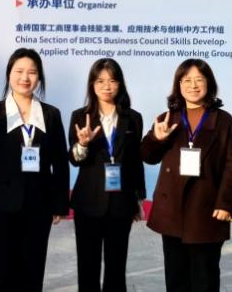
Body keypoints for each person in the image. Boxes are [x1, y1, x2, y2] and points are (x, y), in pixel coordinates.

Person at [141, 59, 232, 292]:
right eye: (187, 80)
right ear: (179, 84)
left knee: (204, 277)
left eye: (199, 79)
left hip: (207, 209)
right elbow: (147, 156)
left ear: (209, 83)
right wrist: (157, 138)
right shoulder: (168, 118)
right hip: (172, 209)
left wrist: (226, 203)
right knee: (176, 277)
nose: (193, 85)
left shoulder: (224, 122)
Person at [0, 48, 69, 292]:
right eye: (19, 71)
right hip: (0, 205)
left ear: (39, 78)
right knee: (1, 270)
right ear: (9, 75)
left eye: (32, 72)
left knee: (33, 270)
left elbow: (60, 162)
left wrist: (59, 204)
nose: (25, 77)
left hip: (39, 205)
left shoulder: (51, 114)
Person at [68, 58, 146, 292]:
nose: (106, 86)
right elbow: (74, 159)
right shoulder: (80, 116)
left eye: (112, 81)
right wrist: (83, 144)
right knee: (87, 266)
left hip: (121, 203)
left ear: (120, 84)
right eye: (100, 81)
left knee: (116, 267)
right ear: (92, 85)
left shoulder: (133, 118)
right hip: (88, 202)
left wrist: (138, 198)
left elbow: (136, 161)